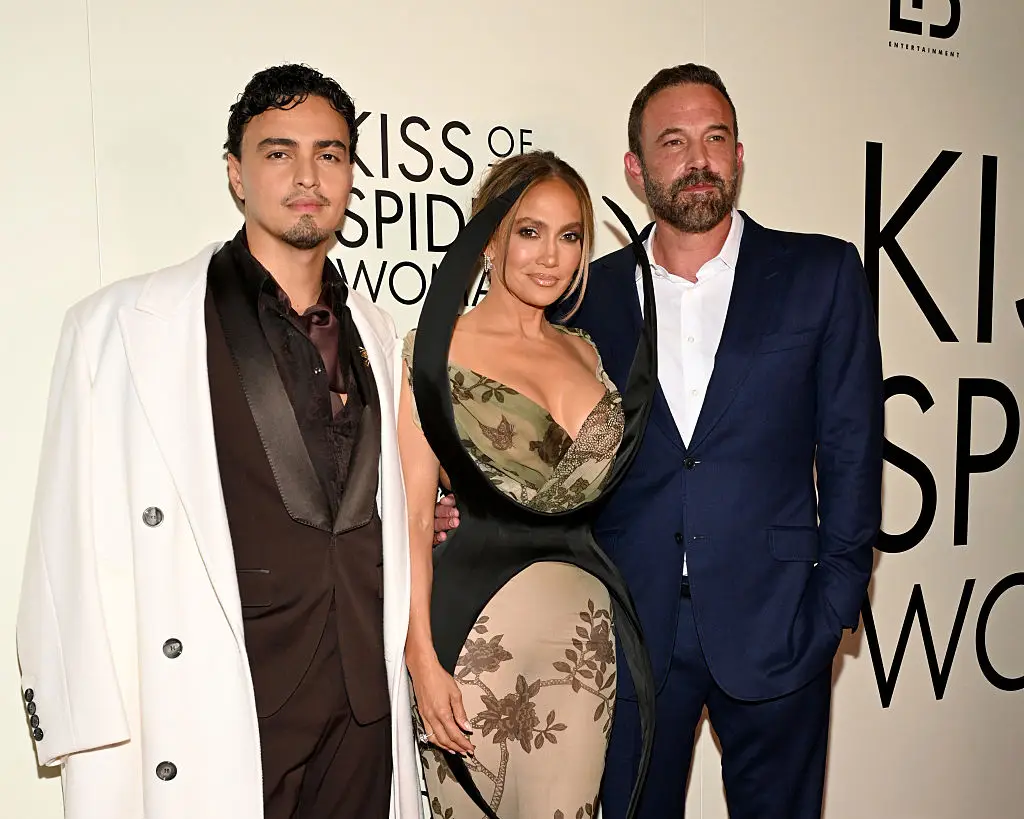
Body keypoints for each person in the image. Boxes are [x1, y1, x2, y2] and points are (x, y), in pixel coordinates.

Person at [434, 64, 884, 819]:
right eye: (673, 141)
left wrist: (833, 603)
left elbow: (851, 446)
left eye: (716, 137)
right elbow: (535, 435)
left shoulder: (821, 272)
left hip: (780, 624)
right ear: (636, 169)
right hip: (626, 632)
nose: (699, 157)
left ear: (739, 155)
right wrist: (463, 509)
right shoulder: (587, 292)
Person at [16, 64, 420, 819]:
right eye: (278, 152)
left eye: (329, 154)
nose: (307, 175)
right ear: (236, 173)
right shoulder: (121, 326)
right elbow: (62, 543)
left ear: (351, 175)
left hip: (362, 704)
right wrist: (78, 725)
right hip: (221, 702)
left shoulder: (374, 327)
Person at [398, 151, 658, 819]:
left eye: (570, 236)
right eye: (529, 231)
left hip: (582, 643)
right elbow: (412, 522)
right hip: (474, 635)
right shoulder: (430, 349)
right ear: (490, 237)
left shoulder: (588, 353)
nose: (551, 256)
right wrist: (420, 656)